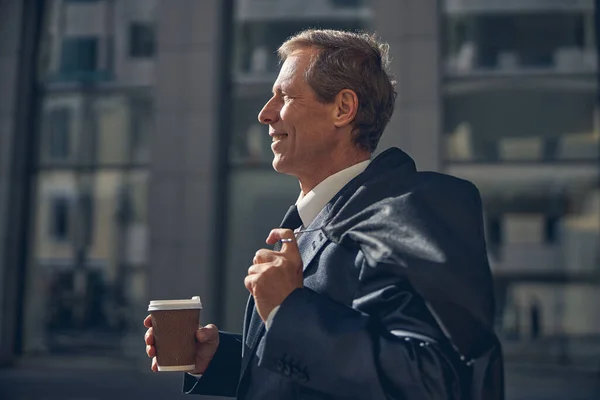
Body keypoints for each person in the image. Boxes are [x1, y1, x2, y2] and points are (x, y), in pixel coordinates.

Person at [144, 29, 504, 400]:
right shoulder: (316, 219)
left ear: (343, 108)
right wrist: (224, 358)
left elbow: (435, 382)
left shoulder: (415, 210)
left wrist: (290, 311)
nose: (265, 114)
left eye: (284, 97)